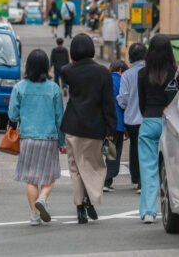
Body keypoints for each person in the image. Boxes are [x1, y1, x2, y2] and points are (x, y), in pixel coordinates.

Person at [60, 33, 117, 224]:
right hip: (95, 128)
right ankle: (90, 199)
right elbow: (108, 103)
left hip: (72, 126)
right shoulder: (103, 73)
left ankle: (80, 208)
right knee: (95, 166)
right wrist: (111, 129)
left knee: (75, 168)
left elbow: (68, 73)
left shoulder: (67, 71)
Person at [8, 49, 65, 226]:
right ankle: (43, 198)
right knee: (49, 177)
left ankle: (34, 215)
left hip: (27, 138)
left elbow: (13, 115)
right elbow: (59, 118)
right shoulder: (54, 88)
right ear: (47, 67)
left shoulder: (19, 87)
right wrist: (62, 142)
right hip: (49, 138)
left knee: (31, 179)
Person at [137, 35, 179, 224]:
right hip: (170, 124)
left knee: (148, 169)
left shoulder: (142, 74)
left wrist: (149, 114)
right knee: (172, 168)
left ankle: (149, 212)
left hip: (149, 121)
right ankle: (176, 208)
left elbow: (141, 103)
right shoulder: (177, 72)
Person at [116, 43, 147, 193]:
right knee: (148, 149)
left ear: (130, 57)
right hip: (148, 117)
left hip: (132, 119)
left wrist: (121, 102)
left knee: (134, 148)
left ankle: (135, 179)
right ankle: (144, 181)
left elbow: (123, 100)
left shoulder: (127, 75)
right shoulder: (151, 71)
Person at [104, 60, 128, 192]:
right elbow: (124, 103)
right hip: (118, 123)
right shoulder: (122, 81)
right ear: (120, 70)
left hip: (106, 123)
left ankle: (106, 180)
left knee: (108, 151)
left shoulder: (105, 80)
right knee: (113, 153)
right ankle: (107, 180)